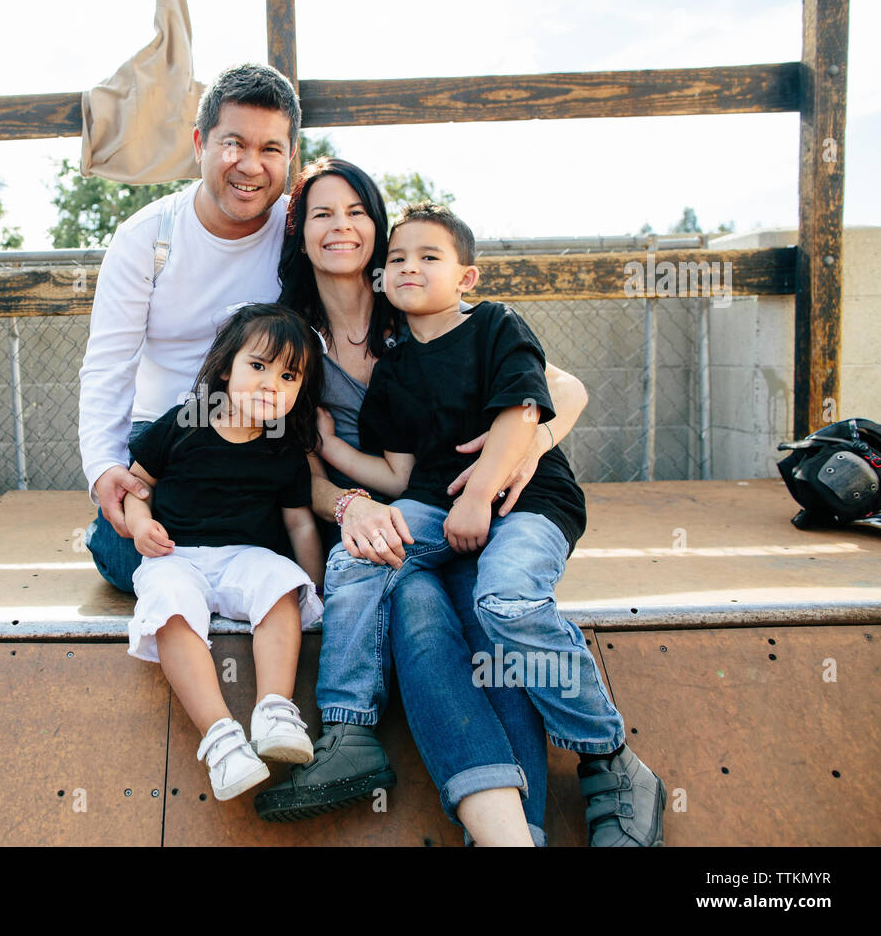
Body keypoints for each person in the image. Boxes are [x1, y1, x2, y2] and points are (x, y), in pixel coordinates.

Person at [311, 200, 667, 847]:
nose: (408, 267)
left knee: (504, 600)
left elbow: (522, 413)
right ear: (381, 279)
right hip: (433, 501)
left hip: (526, 502)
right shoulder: (393, 369)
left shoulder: (496, 326)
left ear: (466, 277)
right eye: (396, 259)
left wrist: (478, 495)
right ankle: (348, 728)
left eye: (429, 256)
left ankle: (609, 757)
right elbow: (395, 475)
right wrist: (333, 452)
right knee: (359, 557)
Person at [254, 159, 585, 846]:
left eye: (356, 212)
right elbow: (293, 471)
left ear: (378, 228)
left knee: (490, 628)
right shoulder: (290, 340)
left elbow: (565, 388)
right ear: (300, 232)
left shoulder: (419, 304)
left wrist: (514, 461)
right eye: (321, 213)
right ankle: (492, 828)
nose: (341, 226)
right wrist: (350, 507)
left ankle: (520, 829)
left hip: (462, 509)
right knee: (422, 613)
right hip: (386, 527)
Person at [79, 63, 299, 592]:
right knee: (128, 550)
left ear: (291, 155)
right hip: (163, 435)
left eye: (271, 148)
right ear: (199, 142)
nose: (250, 165)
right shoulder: (147, 237)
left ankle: (226, 579)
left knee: (307, 549)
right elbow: (109, 364)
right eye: (233, 144)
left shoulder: (301, 230)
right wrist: (103, 469)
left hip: (267, 433)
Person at [124, 304, 326, 801]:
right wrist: (140, 524)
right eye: (257, 366)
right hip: (177, 556)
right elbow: (136, 485)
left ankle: (275, 710)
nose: (269, 383)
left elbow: (299, 521)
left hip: (245, 558)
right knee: (169, 609)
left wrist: (316, 586)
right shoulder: (182, 425)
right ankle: (221, 740)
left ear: (300, 391)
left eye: (288, 375)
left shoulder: (283, 447)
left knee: (280, 582)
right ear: (225, 368)